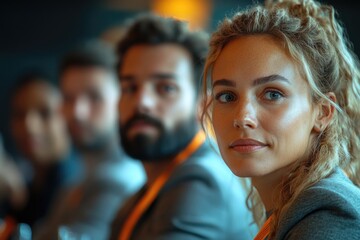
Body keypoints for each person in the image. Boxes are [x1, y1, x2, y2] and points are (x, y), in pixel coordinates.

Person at [201, 0, 360, 239]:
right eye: (227, 96)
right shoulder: (293, 209)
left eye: (272, 94)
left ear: (323, 112)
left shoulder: (328, 215)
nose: (243, 117)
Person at [109, 14, 257, 240]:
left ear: (203, 104)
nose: (142, 102)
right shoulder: (146, 190)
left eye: (165, 88)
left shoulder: (199, 181)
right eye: (130, 87)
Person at [35, 41, 145, 240]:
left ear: (123, 100)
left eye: (94, 97)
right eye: (69, 98)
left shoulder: (118, 180)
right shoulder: (81, 172)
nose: (78, 112)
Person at [1, 73, 81, 237]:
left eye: (45, 113)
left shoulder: (76, 187)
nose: (29, 125)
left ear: (68, 115)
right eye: (19, 114)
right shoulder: (26, 185)